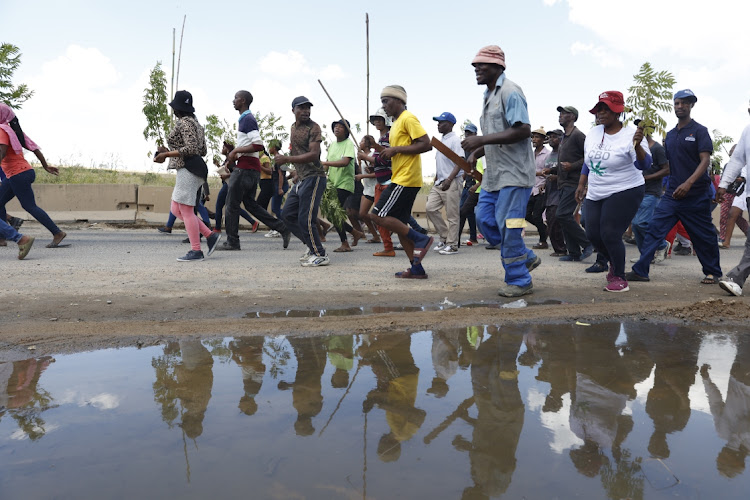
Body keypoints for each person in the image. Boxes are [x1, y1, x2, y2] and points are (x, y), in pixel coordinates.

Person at [461, 45, 540, 297]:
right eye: (474, 66)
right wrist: (476, 153)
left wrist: (481, 141)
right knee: (484, 218)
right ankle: (524, 256)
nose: (476, 70)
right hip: (495, 176)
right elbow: (497, 136)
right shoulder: (488, 95)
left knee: (510, 225)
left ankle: (519, 280)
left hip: (515, 176)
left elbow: (523, 130)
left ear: (498, 66)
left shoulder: (510, 91)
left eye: (481, 65)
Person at [626, 89, 721, 285]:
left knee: (703, 235)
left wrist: (689, 183)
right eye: (677, 103)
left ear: (691, 105)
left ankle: (712, 272)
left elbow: (705, 161)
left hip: (695, 194)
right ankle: (641, 270)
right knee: (653, 229)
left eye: (685, 103)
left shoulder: (700, 131)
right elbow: (669, 166)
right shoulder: (669, 135)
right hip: (672, 195)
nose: (680, 106)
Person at [575, 91, 651, 292]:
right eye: (599, 108)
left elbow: (645, 165)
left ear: (618, 112)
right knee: (591, 231)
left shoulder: (631, 134)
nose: (600, 113)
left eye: (606, 109)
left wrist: (639, 146)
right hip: (597, 190)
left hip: (625, 188)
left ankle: (618, 276)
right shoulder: (593, 133)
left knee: (610, 233)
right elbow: (588, 162)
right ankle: (613, 261)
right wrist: (581, 184)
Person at [370, 85, 434, 279]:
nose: (384, 106)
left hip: (405, 178)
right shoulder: (396, 123)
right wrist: (375, 147)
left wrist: (396, 149)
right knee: (399, 225)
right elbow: (393, 152)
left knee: (376, 215)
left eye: (386, 101)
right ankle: (416, 269)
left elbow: (426, 144)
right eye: (382, 102)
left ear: (399, 101)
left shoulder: (408, 118)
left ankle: (420, 238)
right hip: (401, 176)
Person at [153, 90, 221, 261]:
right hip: (194, 168)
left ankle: (196, 250)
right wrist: (169, 152)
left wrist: (166, 155)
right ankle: (210, 235)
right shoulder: (197, 124)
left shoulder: (184, 123)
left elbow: (190, 149)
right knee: (176, 209)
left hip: (188, 169)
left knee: (185, 210)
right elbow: (202, 150)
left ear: (177, 109)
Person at [222, 90, 290, 251]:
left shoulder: (247, 119)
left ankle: (232, 241)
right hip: (251, 170)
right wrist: (235, 154)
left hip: (245, 170)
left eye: (236, 98)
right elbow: (252, 148)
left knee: (231, 205)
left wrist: (235, 150)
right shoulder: (245, 119)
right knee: (251, 205)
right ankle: (282, 227)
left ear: (243, 101)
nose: (233, 101)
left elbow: (259, 145)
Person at [0, 103, 67, 248]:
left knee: (29, 205)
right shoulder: (15, 131)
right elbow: (34, 148)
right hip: (20, 173)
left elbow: (2, 153)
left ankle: (57, 233)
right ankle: (2, 238)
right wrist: (45, 166)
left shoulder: (2, 130)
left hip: (18, 174)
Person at [277, 96, 329, 267]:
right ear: (293, 110)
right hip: (302, 179)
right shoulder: (293, 127)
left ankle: (319, 254)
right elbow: (300, 151)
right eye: (302, 108)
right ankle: (311, 246)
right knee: (287, 215)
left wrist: (287, 159)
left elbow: (314, 154)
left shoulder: (314, 128)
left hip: (314, 177)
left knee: (305, 218)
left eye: (308, 108)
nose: (306, 111)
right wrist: (296, 172)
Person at [628, 119, 671, 264]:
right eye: (638, 126)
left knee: (641, 223)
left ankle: (662, 245)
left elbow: (667, 169)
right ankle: (646, 255)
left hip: (651, 191)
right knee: (635, 225)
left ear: (650, 130)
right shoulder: (634, 145)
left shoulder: (657, 148)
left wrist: (647, 178)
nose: (639, 129)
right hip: (636, 190)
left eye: (643, 127)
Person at [555, 105, 594, 262]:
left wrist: (572, 166)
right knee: (564, 217)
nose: (560, 116)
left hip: (574, 182)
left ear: (573, 117)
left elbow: (588, 158)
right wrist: (551, 171)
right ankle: (573, 253)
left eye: (564, 113)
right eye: (560, 114)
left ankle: (587, 243)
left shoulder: (578, 135)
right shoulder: (565, 137)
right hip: (563, 183)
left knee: (562, 215)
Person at [717, 115, 750, 296]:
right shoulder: (747, 130)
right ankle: (737, 280)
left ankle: (737, 279)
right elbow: (737, 159)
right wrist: (724, 184)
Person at [321, 119, 365, 253]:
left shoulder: (348, 144)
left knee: (334, 212)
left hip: (344, 183)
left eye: (341, 127)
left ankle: (345, 243)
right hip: (332, 183)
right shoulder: (332, 145)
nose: (337, 128)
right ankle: (354, 232)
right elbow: (326, 166)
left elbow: (345, 162)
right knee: (331, 214)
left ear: (346, 131)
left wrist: (326, 163)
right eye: (335, 126)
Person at [359, 108, 396, 257]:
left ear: (386, 121)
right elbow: (379, 162)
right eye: (375, 120)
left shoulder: (388, 137)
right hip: (380, 182)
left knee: (382, 216)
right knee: (380, 216)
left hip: (388, 181)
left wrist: (366, 157)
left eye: (379, 119)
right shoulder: (380, 139)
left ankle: (415, 239)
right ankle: (388, 247)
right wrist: (371, 167)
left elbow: (384, 158)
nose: (376, 122)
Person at [426, 111, 464, 255]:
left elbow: (460, 162)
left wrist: (449, 179)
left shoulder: (455, 140)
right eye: (438, 122)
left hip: (452, 181)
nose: (438, 125)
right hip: (440, 182)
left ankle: (452, 245)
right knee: (430, 208)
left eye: (441, 122)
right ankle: (444, 237)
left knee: (452, 215)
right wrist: (437, 179)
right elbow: (442, 164)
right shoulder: (441, 141)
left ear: (450, 124)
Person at [541, 129, 567, 256]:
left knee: (555, 220)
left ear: (561, 138)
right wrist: (545, 183)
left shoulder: (563, 154)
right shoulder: (550, 154)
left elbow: (568, 172)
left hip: (560, 191)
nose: (551, 139)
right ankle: (559, 248)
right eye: (550, 137)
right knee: (550, 220)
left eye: (554, 137)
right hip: (549, 191)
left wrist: (557, 178)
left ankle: (561, 249)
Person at [458, 122, 482, 246]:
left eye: (470, 133)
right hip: (468, 185)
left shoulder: (480, 149)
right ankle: (471, 237)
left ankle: (457, 239)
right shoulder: (466, 150)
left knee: (464, 211)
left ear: (475, 134)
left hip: (478, 186)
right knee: (466, 212)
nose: (467, 135)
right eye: (466, 133)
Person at [527, 127, 550, 249]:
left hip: (542, 189)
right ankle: (544, 229)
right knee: (526, 214)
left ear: (543, 139)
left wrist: (543, 179)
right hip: (531, 188)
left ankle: (543, 241)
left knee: (537, 215)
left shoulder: (547, 154)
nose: (534, 139)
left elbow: (548, 172)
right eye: (533, 137)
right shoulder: (531, 154)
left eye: (536, 137)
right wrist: (537, 173)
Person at [266, 138, 290, 237]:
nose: (268, 148)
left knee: (276, 209)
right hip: (278, 185)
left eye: (270, 146)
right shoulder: (277, 159)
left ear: (274, 147)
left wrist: (280, 188)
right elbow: (287, 172)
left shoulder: (279, 159)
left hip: (279, 186)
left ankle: (283, 227)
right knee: (275, 208)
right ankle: (280, 227)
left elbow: (281, 174)